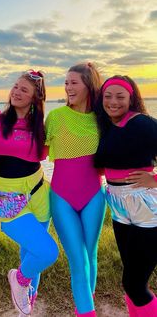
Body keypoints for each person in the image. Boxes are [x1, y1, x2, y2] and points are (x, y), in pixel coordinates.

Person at [0, 70, 58, 317]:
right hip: (6, 199)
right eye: (16, 87)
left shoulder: (41, 128)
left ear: (36, 97)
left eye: (24, 89)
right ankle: (18, 278)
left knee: (30, 252)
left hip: (38, 194)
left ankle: (25, 308)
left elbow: (54, 153)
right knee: (47, 251)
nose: (16, 92)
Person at [45, 62, 106, 317]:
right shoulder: (56, 117)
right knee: (77, 260)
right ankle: (86, 311)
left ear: (88, 85)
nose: (68, 87)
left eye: (74, 82)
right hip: (62, 197)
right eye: (66, 82)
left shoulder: (103, 119)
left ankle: (85, 302)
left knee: (90, 255)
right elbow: (37, 151)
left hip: (94, 196)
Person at [94, 75, 157, 316]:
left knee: (134, 283)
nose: (113, 102)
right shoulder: (108, 126)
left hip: (146, 203)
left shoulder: (142, 124)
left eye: (120, 97)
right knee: (132, 279)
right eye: (108, 96)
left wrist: (154, 179)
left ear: (131, 98)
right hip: (118, 204)